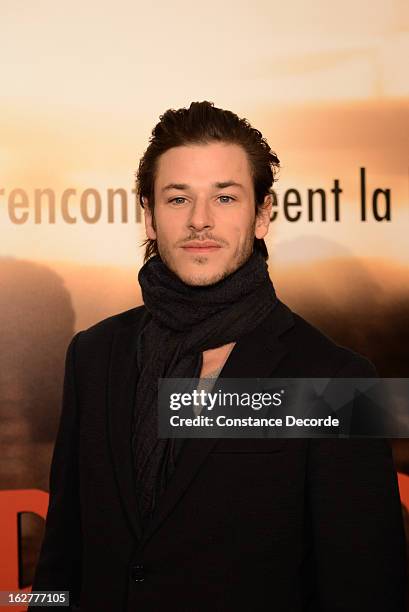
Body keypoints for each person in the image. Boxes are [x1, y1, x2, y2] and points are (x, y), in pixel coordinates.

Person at [31, 101, 406, 611]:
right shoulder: (93, 356)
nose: (199, 221)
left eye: (225, 198)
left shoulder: (339, 376)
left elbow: (366, 591)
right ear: (148, 216)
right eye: (178, 198)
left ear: (263, 215)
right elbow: (61, 562)